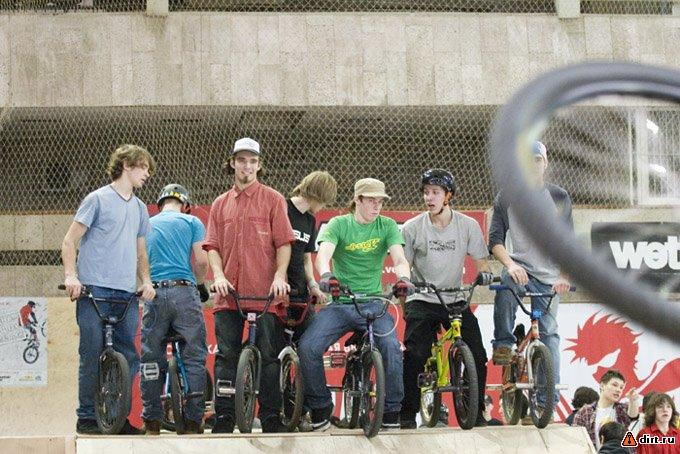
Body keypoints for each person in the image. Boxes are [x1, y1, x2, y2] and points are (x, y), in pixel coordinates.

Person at [299, 177, 414, 431]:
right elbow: (323, 255)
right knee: (308, 347)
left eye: (381, 201)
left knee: (391, 348)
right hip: (341, 303)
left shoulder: (387, 226)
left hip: (374, 303)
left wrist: (404, 278)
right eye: (371, 200)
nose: (377, 206)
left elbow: (399, 258)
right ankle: (320, 407)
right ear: (357, 200)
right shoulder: (339, 224)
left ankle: (391, 411)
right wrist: (326, 276)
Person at [61, 144, 156, 435]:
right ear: (127, 165)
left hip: (126, 293)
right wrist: (71, 276)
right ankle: (87, 417)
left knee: (129, 357)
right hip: (94, 291)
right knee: (92, 352)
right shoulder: (97, 199)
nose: (147, 174)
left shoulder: (140, 208)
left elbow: (141, 252)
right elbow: (69, 241)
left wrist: (146, 281)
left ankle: (117, 418)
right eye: (143, 167)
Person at [204, 137, 295, 434]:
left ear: (259, 165)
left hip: (264, 293)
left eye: (253, 161)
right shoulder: (220, 204)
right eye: (242, 160)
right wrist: (218, 276)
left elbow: (284, 243)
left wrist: (279, 276)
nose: (247, 166)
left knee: (269, 357)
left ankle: (270, 416)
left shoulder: (273, 199)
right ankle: (224, 416)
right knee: (226, 357)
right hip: (229, 295)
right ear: (232, 163)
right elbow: (212, 246)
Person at [399, 169, 494, 429]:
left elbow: (482, 262)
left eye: (435, 193)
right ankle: (407, 414)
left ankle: (475, 411)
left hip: (454, 298)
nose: (428, 198)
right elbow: (403, 267)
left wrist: (485, 274)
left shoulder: (468, 225)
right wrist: (405, 298)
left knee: (477, 353)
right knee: (415, 354)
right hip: (422, 298)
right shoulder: (412, 228)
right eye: (426, 192)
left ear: (448, 196)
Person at [489, 140, 573, 412]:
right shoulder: (506, 196)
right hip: (521, 270)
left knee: (549, 333)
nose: (533, 165)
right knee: (506, 282)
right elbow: (495, 241)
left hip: (550, 277)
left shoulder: (558, 197)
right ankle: (504, 343)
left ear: (545, 163)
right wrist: (511, 264)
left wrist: (564, 276)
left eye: (538, 160)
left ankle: (547, 402)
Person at [140, 184, 210, 435]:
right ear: (185, 205)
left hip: (154, 293)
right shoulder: (192, 222)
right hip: (184, 291)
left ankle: (152, 421)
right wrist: (200, 285)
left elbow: (139, 259)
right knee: (194, 356)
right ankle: (193, 421)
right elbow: (201, 261)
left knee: (151, 357)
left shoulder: (146, 224)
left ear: (160, 204)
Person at [574, 369, 640, 449]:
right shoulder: (585, 412)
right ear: (602, 385)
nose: (618, 390)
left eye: (621, 387)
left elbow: (633, 416)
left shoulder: (622, 409)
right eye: (614, 385)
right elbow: (577, 440)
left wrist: (633, 400)